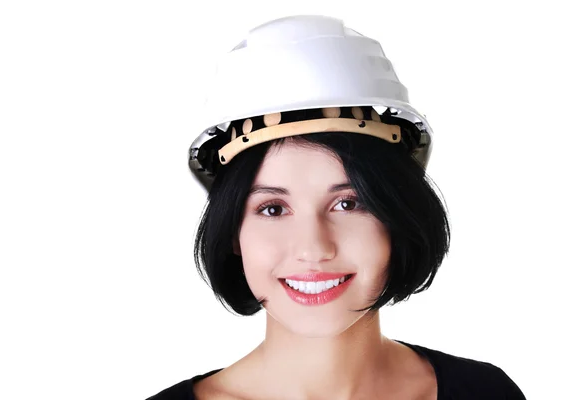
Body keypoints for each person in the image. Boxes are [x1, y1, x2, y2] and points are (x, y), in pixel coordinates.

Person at [147, 14, 526, 400]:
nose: (313, 248)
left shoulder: (487, 393)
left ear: (398, 216)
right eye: (273, 208)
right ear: (232, 233)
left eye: (348, 203)